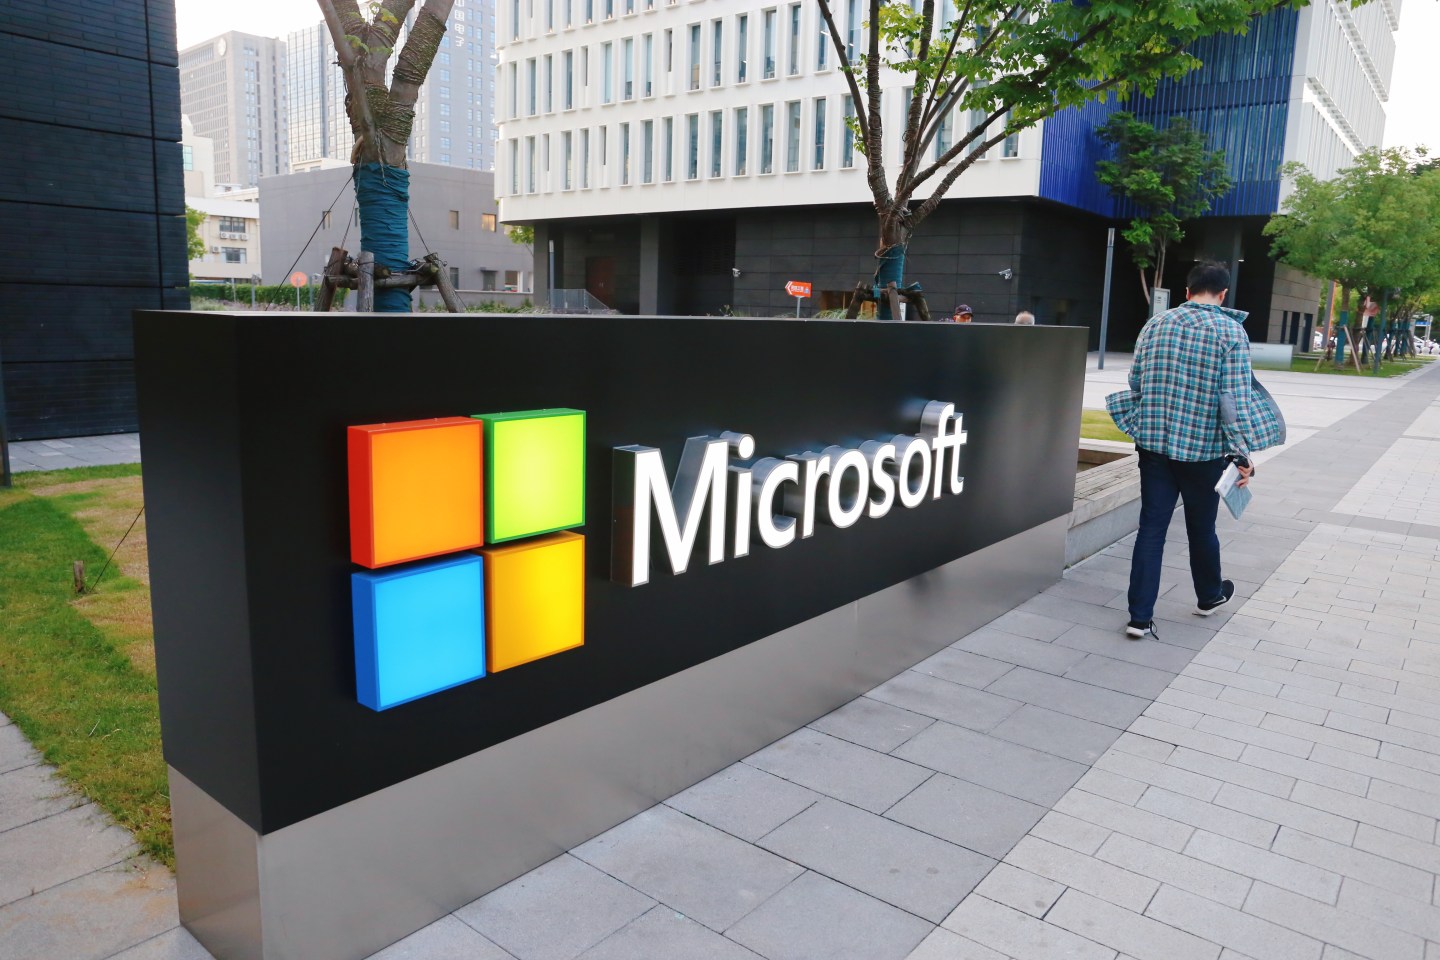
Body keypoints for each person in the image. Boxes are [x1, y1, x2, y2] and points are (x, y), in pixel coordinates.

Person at [1105, 262, 1283, 640]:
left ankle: (1139, 618)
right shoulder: (1231, 331)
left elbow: (1135, 380)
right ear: (1222, 295)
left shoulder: (1155, 324)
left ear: (1187, 292)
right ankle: (1209, 596)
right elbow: (1232, 399)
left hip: (1153, 443)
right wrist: (1242, 455)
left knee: (1151, 528)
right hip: (1203, 450)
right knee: (1201, 528)